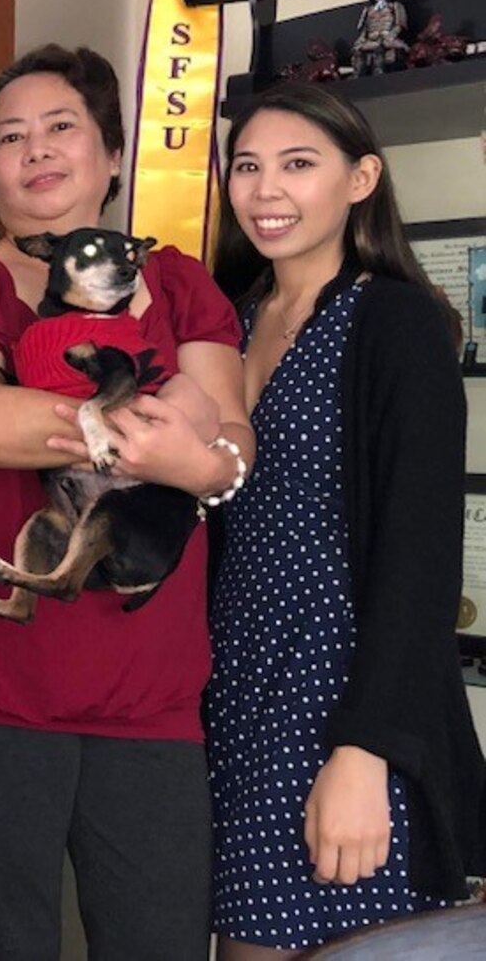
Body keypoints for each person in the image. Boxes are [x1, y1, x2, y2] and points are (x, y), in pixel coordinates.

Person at [0, 43, 254, 960]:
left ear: (107, 155)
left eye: (61, 127)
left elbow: (226, 433)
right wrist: (152, 433)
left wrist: (204, 460)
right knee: (2, 939)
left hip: (149, 690)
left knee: (159, 940)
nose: (36, 150)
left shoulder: (178, 282)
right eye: (10, 138)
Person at [207, 81, 486, 959]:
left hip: (341, 692)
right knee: (240, 940)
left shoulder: (393, 320)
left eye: (297, 165)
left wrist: (366, 752)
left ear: (360, 178)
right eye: (246, 168)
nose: (265, 191)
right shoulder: (227, 317)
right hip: (228, 686)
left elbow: (421, 553)